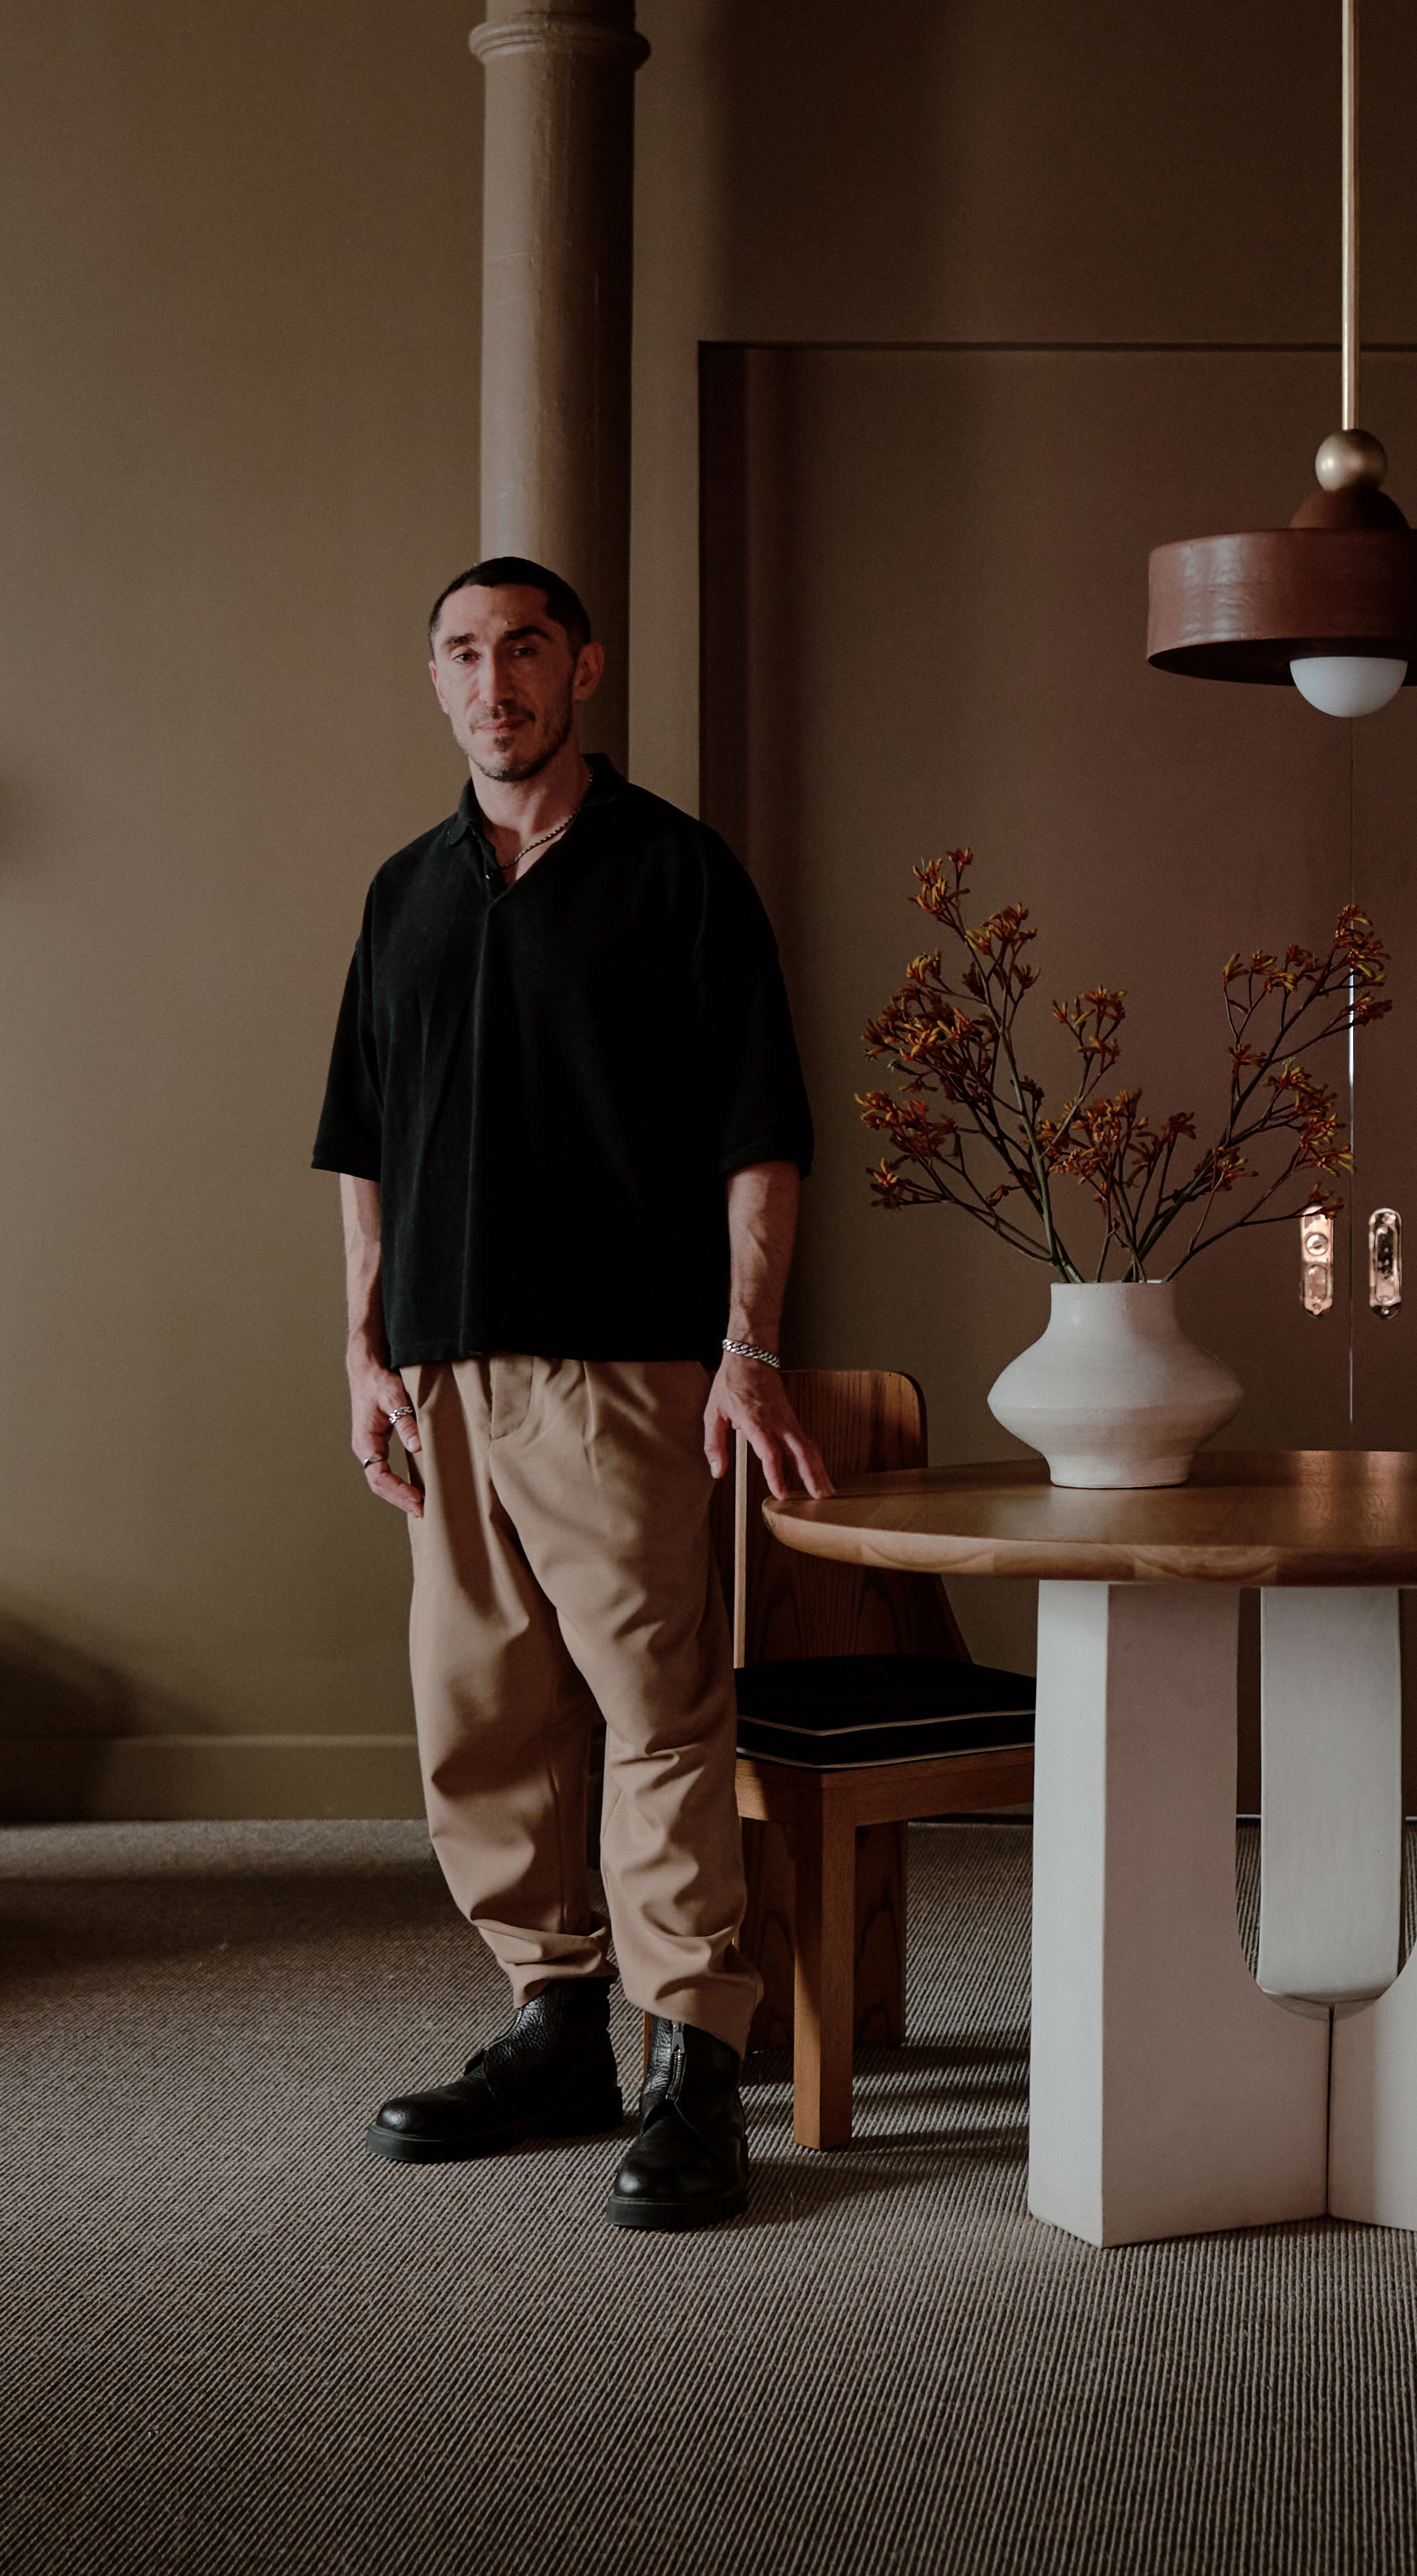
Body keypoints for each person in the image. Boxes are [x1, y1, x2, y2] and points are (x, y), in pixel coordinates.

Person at [313, 555, 828, 2231]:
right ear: (438, 680)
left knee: (657, 1710)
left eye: (522, 647)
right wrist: (362, 1342)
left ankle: (694, 2057)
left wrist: (746, 1346)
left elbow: (762, 1130)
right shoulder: (405, 891)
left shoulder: (676, 875)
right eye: (461, 651)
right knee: (481, 1712)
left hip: (620, 1365)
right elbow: (363, 1144)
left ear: (582, 669)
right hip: (443, 1367)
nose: (491, 680)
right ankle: (553, 2026)